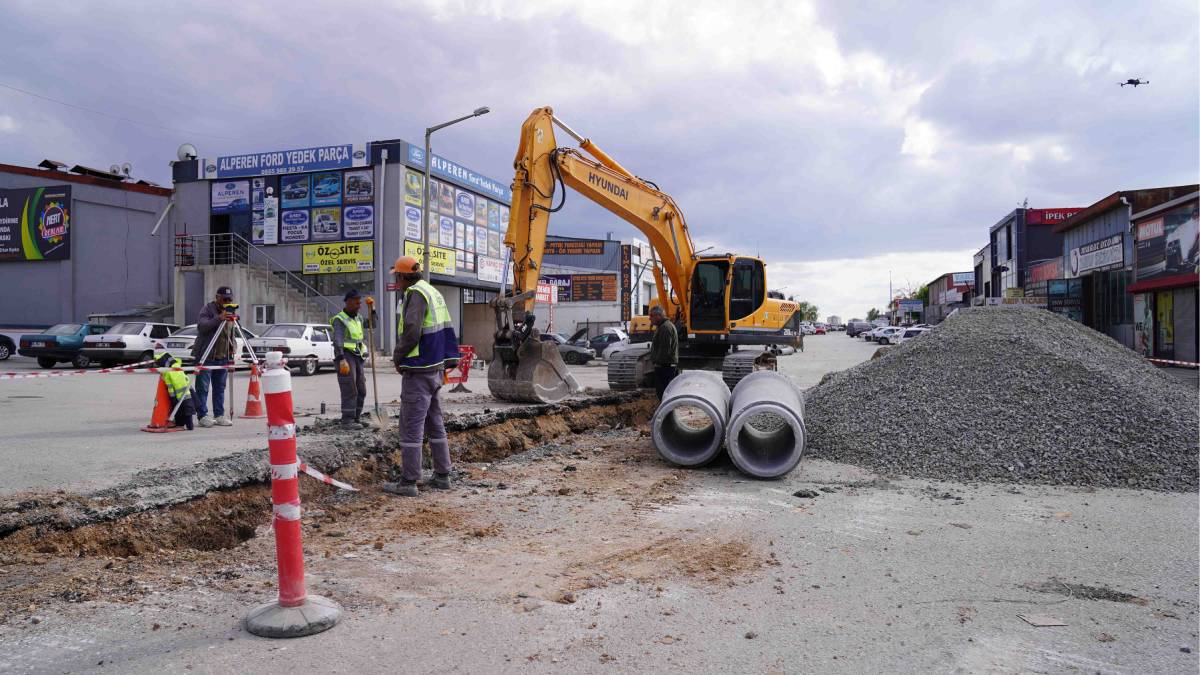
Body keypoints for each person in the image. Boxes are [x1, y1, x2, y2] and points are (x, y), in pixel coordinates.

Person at [382, 256, 460, 498]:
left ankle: (409, 481)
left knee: (411, 427)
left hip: (419, 369)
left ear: (404, 276)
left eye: (397, 276)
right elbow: (446, 329)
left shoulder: (415, 294)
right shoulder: (432, 291)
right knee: (434, 423)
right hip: (435, 369)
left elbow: (412, 330)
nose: (397, 280)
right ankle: (442, 475)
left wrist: (398, 356)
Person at [193, 286, 237, 427]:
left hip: (223, 356)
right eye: (225, 299)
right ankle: (203, 416)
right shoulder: (207, 309)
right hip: (207, 355)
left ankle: (219, 415)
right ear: (217, 297)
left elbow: (231, 334)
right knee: (203, 388)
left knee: (220, 388)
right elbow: (202, 326)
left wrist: (233, 349)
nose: (227, 302)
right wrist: (219, 318)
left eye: (230, 299)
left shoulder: (230, 312)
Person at [331, 289, 368, 431]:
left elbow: (372, 325)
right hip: (345, 356)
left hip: (357, 356)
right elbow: (338, 339)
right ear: (348, 302)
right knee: (350, 387)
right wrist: (341, 359)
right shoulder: (340, 319)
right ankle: (347, 420)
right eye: (357, 303)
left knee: (361, 388)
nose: (359, 306)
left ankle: (356, 418)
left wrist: (373, 310)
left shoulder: (358, 318)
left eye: (360, 303)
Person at [155, 351, 195, 430]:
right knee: (188, 411)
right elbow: (186, 379)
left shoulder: (168, 372)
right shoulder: (178, 367)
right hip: (187, 393)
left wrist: (172, 397)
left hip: (177, 395)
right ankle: (190, 426)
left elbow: (170, 386)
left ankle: (180, 425)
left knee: (179, 411)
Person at [649, 305, 678, 399]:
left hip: (665, 367)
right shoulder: (663, 327)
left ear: (658, 315)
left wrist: (656, 361)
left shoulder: (665, 328)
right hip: (665, 366)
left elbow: (665, 350)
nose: (649, 318)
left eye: (651, 316)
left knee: (664, 394)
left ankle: (666, 413)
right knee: (663, 394)